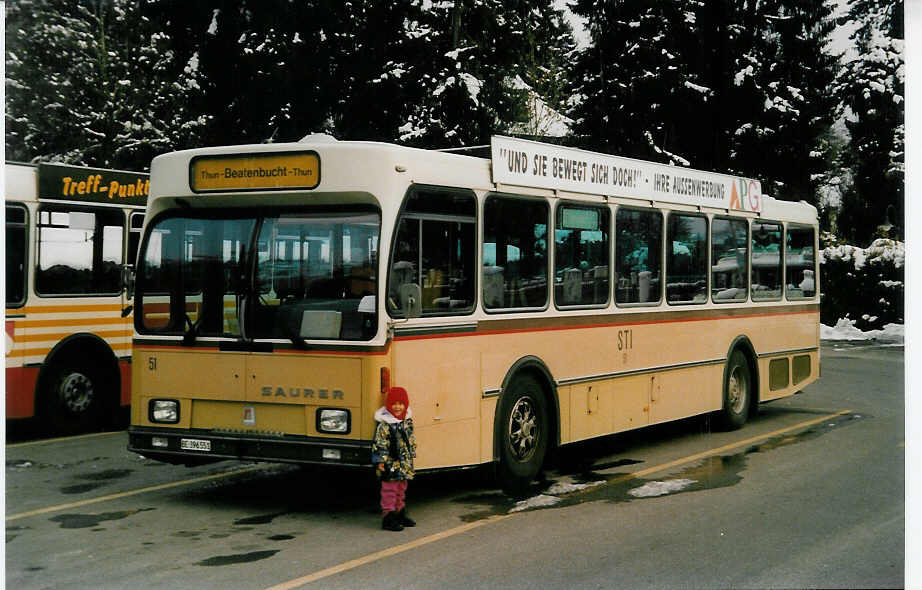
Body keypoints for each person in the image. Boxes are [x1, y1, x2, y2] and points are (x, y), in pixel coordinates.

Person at [372, 386, 417, 531]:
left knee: (401, 487)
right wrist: (380, 461)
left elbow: (410, 439)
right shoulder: (385, 425)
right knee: (389, 489)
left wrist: (411, 454)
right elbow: (380, 444)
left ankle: (399, 512)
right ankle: (388, 516)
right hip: (390, 463)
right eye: (394, 404)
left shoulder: (406, 421)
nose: (397, 407)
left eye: (400, 403)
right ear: (388, 405)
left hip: (403, 463)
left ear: (406, 405)